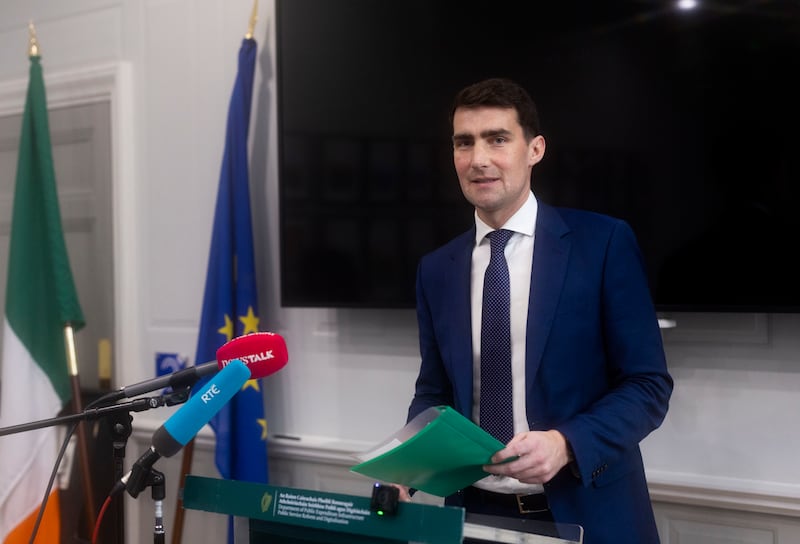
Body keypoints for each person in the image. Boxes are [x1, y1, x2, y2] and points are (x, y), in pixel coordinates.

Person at [400, 77, 673, 543]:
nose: (478, 158)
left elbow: (648, 385)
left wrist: (565, 444)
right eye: (464, 143)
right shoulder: (436, 269)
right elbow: (434, 391)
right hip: (473, 516)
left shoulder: (603, 244)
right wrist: (406, 458)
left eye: (497, 139)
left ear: (535, 149)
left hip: (587, 513)